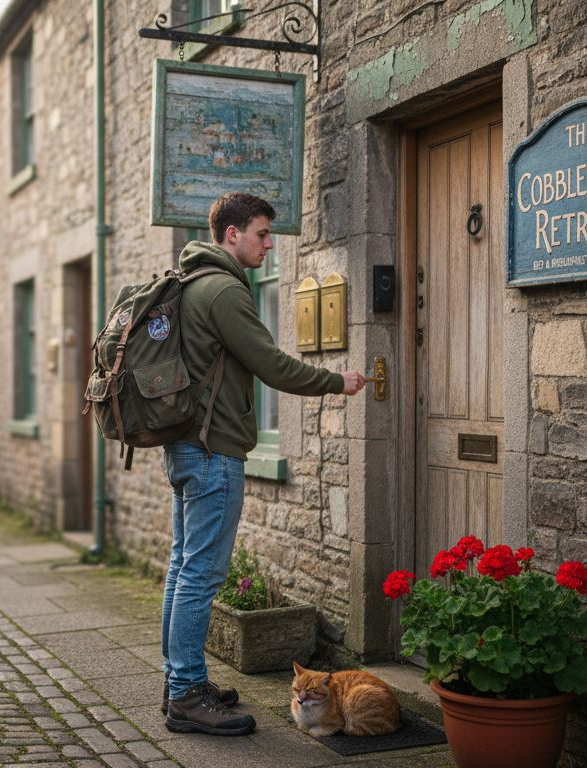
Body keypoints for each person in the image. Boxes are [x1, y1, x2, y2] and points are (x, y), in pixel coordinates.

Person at [162, 192, 369, 736]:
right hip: (213, 452)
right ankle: (185, 694)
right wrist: (338, 381)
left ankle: (180, 680)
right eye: (261, 233)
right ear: (231, 234)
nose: (268, 244)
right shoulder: (224, 290)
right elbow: (271, 364)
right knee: (201, 575)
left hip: (185, 445)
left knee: (184, 568)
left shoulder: (188, 284)